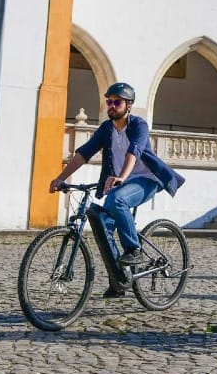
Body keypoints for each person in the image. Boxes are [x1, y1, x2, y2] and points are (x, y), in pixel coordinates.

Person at [49, 82, 185, 297]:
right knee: (102, 225)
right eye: (109, 101)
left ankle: (134, 249)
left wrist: (122, 176)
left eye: (117, 102)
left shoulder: (138, 125)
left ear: (128, 105)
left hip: (145, 179)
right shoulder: (106, 129)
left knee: (118, 200)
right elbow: (84, 153)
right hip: (120, 181)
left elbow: (135, 151)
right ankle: (120, 279)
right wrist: (60, 177)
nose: (111, 105)